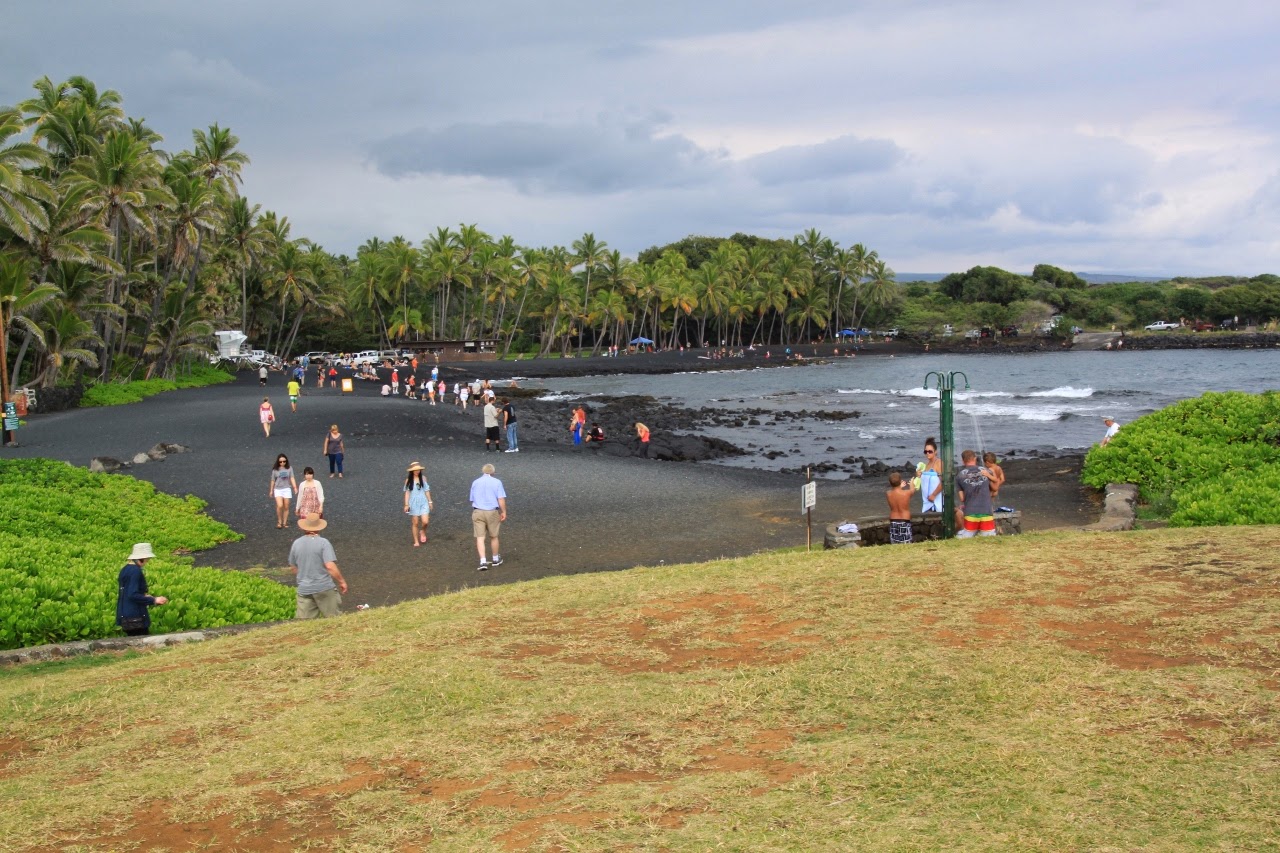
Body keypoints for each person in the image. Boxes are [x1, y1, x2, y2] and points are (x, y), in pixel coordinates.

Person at [289, 513, 347, 618]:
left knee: (305, 623)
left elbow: (293, 567)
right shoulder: (323, 543)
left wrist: (305, 577)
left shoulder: (296, 543)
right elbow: (330, 566)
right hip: (324, 587)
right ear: (319, 528)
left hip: (304, 589)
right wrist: (341, 581)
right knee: (334, 619)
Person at [116, 543, 168, 636]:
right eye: (147, 559)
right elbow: (132, 594)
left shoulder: (125, 569)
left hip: (125, 614)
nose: (147, 561)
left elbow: (128, 591)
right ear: (142, 558)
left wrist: (145, 596)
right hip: (135, 617)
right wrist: (154, 600)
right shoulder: (135, 571)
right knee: (141, 640)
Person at [469, 462, 507, 571]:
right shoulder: (497, 482)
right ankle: (495, 558)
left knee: (480, 537)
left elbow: (472, 498)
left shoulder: (475, 482)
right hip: (492, 512)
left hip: (478, 511)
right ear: (493, 472)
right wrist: (503, 511)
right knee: (494, 536)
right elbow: (500, 498)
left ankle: (483, 561)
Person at [955, 449, 996, 538]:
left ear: (963, 461)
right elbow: (995, 488)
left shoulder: (959, 476)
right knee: (989, 537)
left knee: (965, 536)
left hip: (971, 513)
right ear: (975, 458)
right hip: (986, 511)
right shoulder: (987, 471)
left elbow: (962, 498)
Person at [403, 461, 434, 547]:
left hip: (423, 501)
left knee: (425, 521)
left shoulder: (423, 478)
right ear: (412, 471)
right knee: (415, 522)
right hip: (413, 503)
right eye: (416, 470)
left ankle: (423, 531)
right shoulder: (408, 480)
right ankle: (416, 541)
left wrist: (430, 501)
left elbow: (426, 490)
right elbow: (407, 493)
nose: (417, 471)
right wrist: (406, 504)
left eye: (419, 470)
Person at [886, 472, 916, 544]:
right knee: (906, 542)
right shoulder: (906, 493)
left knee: (895, 542)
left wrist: (899, 486)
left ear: (890, 483)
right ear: (900, 481)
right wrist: (912, 483)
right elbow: (912, 490)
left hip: (893, 520)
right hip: (904, 520)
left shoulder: (888, 494)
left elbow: (895, 492)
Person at [270, 453, 297, 529]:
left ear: (286, 461)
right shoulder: (275, 470)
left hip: (287, 488)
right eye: (280, 462)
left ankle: (284, 522)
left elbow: (292, 477)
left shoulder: (289, 468)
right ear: (278, 462)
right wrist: (271, 490)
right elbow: (273, 480)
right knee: (280, 505)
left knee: (286, 506)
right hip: (278, 489)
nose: (282, 463)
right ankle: (279, 521)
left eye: (284, 461)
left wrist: (295, 487)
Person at [920, 437, 943, 513]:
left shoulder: (939, 463)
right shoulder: (926, 465)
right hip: (926, 503)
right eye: (925, 451)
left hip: (936, 503)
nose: (927, 453)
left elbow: (943, 481)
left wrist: (934, 495)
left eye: (930, 451)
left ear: (935, 452)